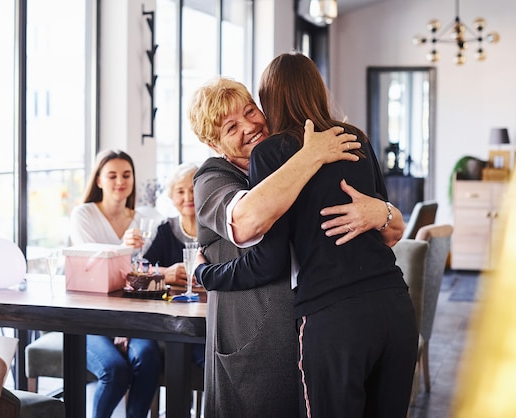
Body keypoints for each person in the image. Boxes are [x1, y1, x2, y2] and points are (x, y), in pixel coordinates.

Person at [196, 52, 417, 418]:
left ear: (266, 102)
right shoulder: (354, 137)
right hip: (394, 306)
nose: (248, 126)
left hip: (333, 320)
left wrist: (205, 273)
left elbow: (270, 261)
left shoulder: (270, 153)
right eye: (230, 127)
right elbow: (247, 219)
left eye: (250, 111)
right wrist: (312, 155)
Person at [69, 149, 161, 418]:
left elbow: (145, 272)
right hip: (90, 317)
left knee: (148, 358)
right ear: (98, 180)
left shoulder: (145, 220)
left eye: (126, 175)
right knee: (115, 370)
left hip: (133, 318)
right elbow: (90, 267)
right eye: (112, 175)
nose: (120, 182)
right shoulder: (83, 215)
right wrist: (122, 248)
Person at [143, 161, 205, 368]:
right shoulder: (165, 230)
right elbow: (141, 269)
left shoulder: (218, 229)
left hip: (207, 320)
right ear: (172, 197)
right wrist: (165, 273)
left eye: (194, 189)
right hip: (170, 320)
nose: (188, 197)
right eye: (180, 191)